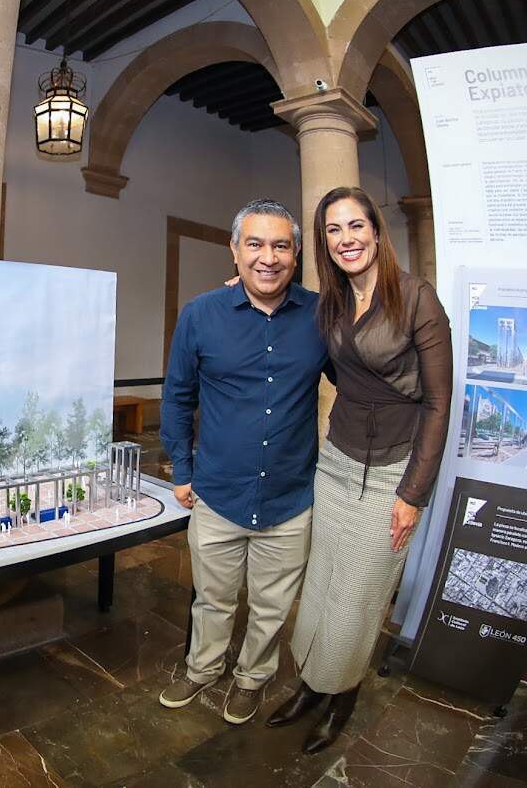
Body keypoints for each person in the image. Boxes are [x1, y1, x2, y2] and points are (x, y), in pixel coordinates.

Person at [264, 187, 452, 753]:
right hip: (339, 460)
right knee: (322, 583)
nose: (347, 240)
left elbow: (441, 404)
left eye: (355, 227)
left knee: (361, 595)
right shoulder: (332, 303)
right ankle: (311, 686)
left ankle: (341, 697)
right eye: (333, 231)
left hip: (395, 469)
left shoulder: (418, 299)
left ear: (376, 231)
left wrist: (413, 494)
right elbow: (310, 344)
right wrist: (244, 286)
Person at [159, 199, 329, 725]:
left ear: (296, 254)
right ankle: (203, 666)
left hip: (290, 494)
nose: (268, 257)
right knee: (212, 599)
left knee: (272, 606)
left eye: (280, 245)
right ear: (234, 251)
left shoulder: (323, 315)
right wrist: (181, 472)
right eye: (254, 244)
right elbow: (177, 397)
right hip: (218, 490)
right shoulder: (201, 315)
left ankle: (253, 677)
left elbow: (363, 377)